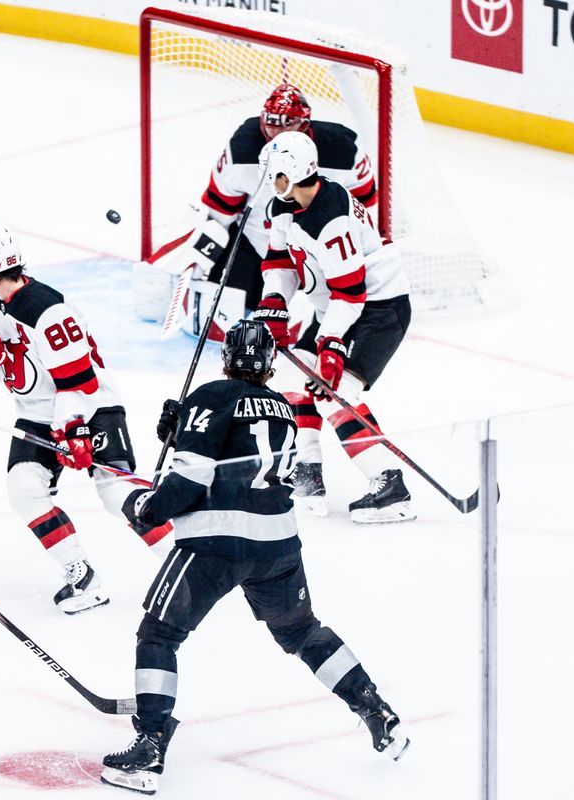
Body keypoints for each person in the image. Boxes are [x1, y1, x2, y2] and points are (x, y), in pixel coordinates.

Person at [102, 320, 408, 795]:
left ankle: (149, 749)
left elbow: (189, 482)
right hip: (277, 546)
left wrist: (146, 507)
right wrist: (185, 430)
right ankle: (375, 710)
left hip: (215, 544)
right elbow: (239, 447)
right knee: (305, 633)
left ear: (226, 357)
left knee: (159, 634)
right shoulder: (284, 407)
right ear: (268, 365)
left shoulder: (212, 395)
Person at [0, 224, 172, 615]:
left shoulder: (46, 308)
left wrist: (73, 429)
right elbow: (1, 375)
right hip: (37, 415)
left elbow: (81, 381)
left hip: (93, 407)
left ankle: (183, 562)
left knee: (114, 492)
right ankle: (83, 576)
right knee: (24, 489)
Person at [251, 130, 414, 522]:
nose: (269, 181)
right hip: (337, 307)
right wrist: (274, 301)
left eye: (275, 174)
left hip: (379, 310)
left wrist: (331, 344)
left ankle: (389, 483)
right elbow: (278, 261)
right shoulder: (284, 205)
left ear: (294, 173)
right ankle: (307, 474)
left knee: (330, 390)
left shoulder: (330, 218)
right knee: (294, 377)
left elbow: (351, 292)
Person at [148, 82, 378, 341]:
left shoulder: (343, 150)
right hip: (259, 245)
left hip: (316, 252)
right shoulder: (243, 148)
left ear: (304, 125)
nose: (276, 132)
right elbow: (218, 212)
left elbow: (364, 209)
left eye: (286, 125)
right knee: (225, 317)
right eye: (271, 123)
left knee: (318, 324)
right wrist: (202, 256)